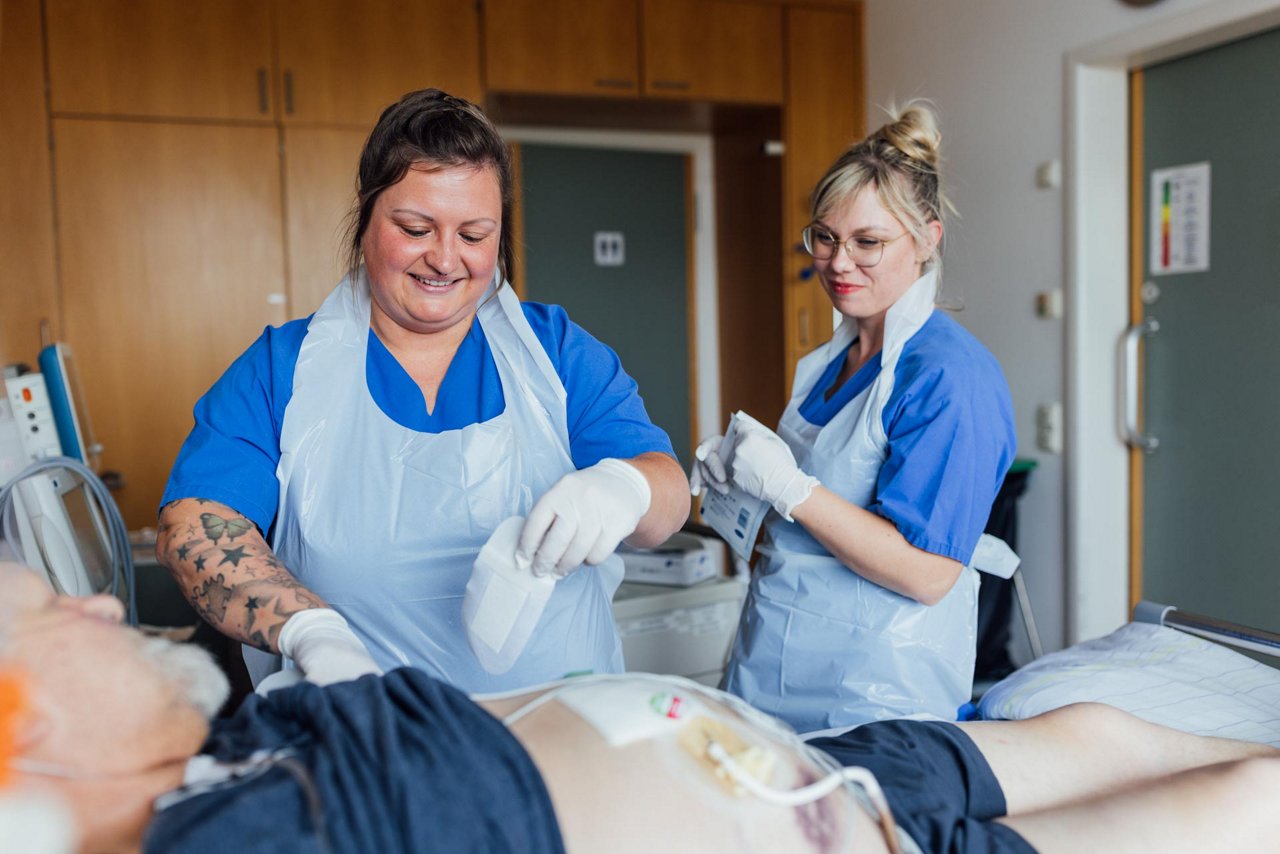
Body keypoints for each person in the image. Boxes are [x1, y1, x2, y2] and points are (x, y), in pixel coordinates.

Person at [4, 563, 1280, 854]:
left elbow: (657, 477)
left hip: (796, 757)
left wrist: (627, 485)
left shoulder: (223, 754)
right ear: (17, 725)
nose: (109, 601)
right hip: (832, 833)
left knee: (1092, 732)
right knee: (1245, 799)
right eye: (62, 608)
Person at [155, 89, 689, 693]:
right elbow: (194, 523)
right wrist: (309, 631)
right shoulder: (285, 370)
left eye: (474, 235)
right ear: (365, 220)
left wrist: (624, 487)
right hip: (365, 730)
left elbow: (667, 501)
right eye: (415, 229)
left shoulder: (556, 355)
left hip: (555, 728)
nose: (444, 259)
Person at [692, 103, 1017, 732]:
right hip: (774, 659)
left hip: (875, 695)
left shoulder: (948, 377)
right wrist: (741, 484)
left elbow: (928, 573)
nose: (839, 263)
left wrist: (790, 486)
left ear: (927, 239)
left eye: (868, 242)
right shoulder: (832, 360)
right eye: (825, 237)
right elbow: (810, 522)